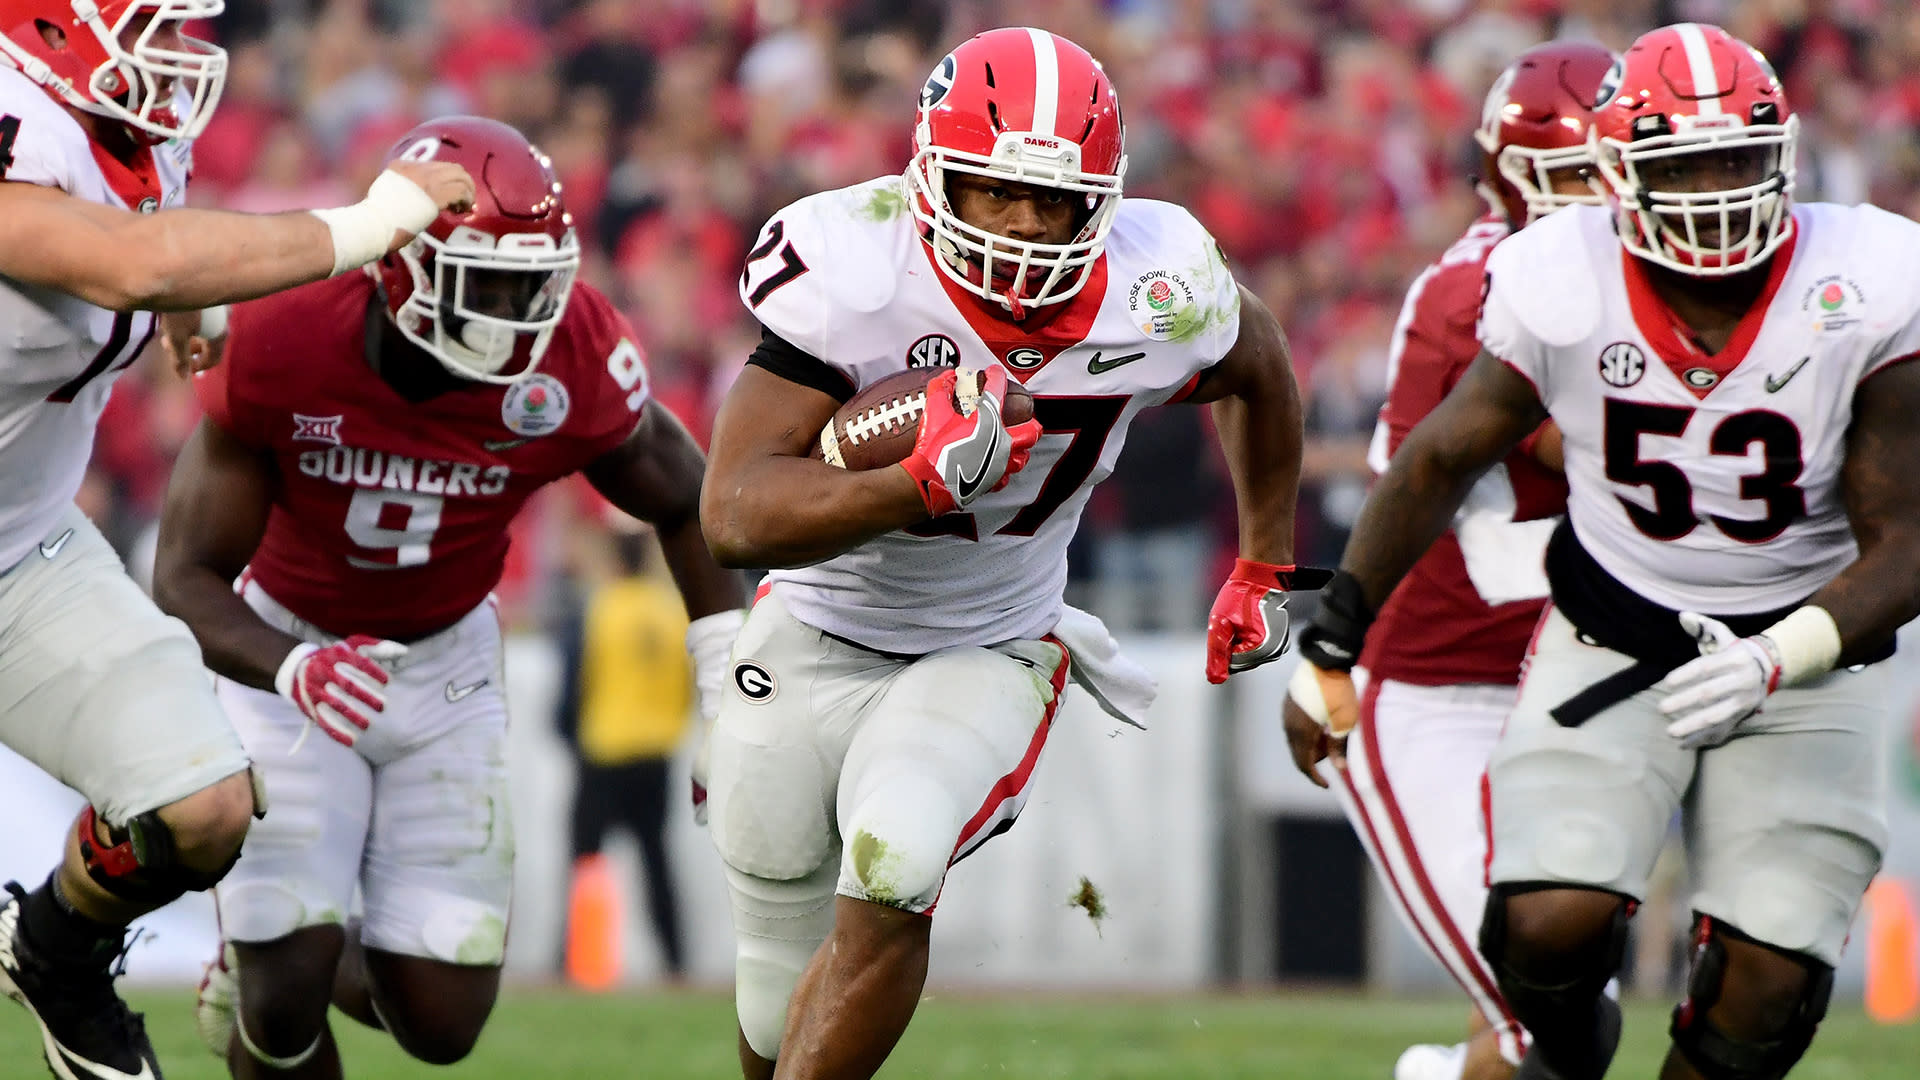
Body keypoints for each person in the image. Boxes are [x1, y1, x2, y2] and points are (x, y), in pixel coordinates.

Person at [1285, 22, 1920, 1080]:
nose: (1717, 193)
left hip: (1814, 646)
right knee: (1546, 929)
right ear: (1617, 172)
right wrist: (1331, 639)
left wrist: (1780, 652)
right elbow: (1437, 464)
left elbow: (1911, 540)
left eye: (1739, 161)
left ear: (1787, 157)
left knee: (1769, 987)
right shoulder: (1550, 274)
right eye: (1686, 164)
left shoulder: (1871, 277)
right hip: (1615, 627)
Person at [700, 26, 1305, 1080]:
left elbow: (1259, 364)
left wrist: (1264, 561)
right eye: (994, 192)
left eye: (1055, 199)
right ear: (936, 176)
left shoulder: (1157, 290)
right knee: (770, 977)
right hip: (815, 622)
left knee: (895, 862)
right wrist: (909, 488)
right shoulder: (857, 268)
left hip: (991, 639)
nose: (1026, 224)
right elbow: (737, 511)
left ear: (1103, 198)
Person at [148, 115, 743, 1078]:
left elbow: (687, 497)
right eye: (490, 286)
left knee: (439, 1023)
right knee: (286, 985)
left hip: (447, 661)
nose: (520, 316)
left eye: (535, 285)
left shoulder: (570, 353)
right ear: (399, 265)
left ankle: (282, 953)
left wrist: (727, 685)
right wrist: (292, 665)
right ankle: (263, 974)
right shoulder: (287, 327)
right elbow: (183, 575)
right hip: (288, 651)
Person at [0, 4, 473, 1078]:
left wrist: (184, 305)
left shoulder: (125, 124)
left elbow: (139, 246)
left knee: (204, 809)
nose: (184, 57)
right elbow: (122, 261)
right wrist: (366, 224)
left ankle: (58, 952)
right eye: (156, 28)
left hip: (20, 550)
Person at [1320, 41, 1614, 1080]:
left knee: (1562, 1020)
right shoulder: (1476, 292)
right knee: (1550, 1022)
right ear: (1507, 177)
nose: (1602, 202)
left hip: (1575, 692)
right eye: (1575, 176)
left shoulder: (1671, 285)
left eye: (1615, 168)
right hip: (1435, 692)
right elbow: (1558, 469)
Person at [554, 521, 696, 981]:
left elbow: (574, 681)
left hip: (603, 751)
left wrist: (568, 736)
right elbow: (690, 685)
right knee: (657, 861)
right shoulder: (672, 609)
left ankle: (571, 963)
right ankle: (676, 964)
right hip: (655, 753)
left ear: (614, 559)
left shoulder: (600, 606)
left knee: (584, 861)